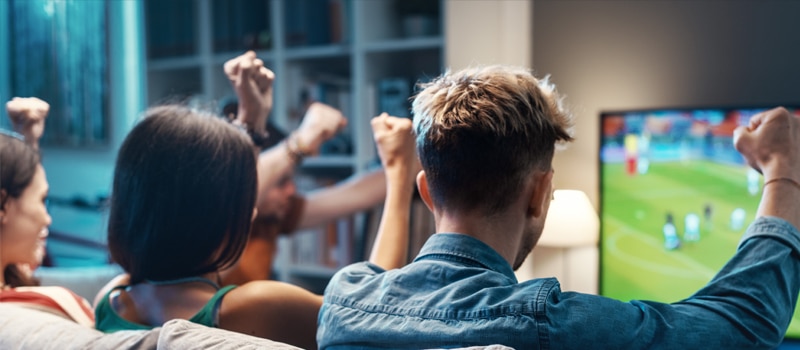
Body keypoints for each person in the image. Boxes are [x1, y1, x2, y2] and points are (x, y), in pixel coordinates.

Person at [317, 65, 800, 349]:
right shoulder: (551, 325)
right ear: (540, 193)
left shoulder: (343, 301)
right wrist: (782, 170)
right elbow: (741, 328)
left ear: (427, 190)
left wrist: (397, 174)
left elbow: (376, 275)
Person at [93, 52, 417, 349]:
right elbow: (370, 309)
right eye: (246, 204)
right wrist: (400, 175)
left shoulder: (112, 299)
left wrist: (252, 122)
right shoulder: (251, 307)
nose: (254, 209)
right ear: (217, 219)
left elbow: (200, 185)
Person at [217, 99, 389, 285]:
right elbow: (235, 193)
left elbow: (356, 195)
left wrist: (410, 159)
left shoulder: (270, 218)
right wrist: (301, 140)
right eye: (280, 182)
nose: (291, 190)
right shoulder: (206, 231)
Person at [0, 97, 95, 327]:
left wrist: (27, 142)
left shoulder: (16, 282)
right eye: (42, 201)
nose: (47, 218)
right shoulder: (52, 305)